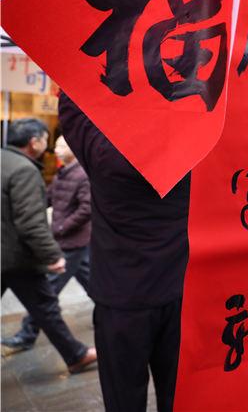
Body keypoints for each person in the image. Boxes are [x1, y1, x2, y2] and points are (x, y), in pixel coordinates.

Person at [59, 93, 189, 412]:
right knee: (179, 397)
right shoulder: (191, 152)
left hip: (121, 299)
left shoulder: (103, 153)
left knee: (122, 400)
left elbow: (72, 103)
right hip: (181, 292)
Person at [1, 118, 97, 374]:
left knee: (49, 296)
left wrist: (60, 230)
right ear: (34, 143)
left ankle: (33, 336)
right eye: (51, 141)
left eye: (62, 145)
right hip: (28, 251)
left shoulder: (78, 174)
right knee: (63, 295)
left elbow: (86, 208)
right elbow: (36, 212)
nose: (55, 148)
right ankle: (78, 348)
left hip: (69, 242)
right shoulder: (39, 171)